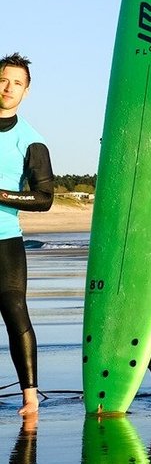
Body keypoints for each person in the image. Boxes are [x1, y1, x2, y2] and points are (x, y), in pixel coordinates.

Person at [0, 55, 52, 418]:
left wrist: (1, 195)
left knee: (15, 311)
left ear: (26, 90)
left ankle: (30, 397)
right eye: (3, 80)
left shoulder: (31, 141)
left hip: (5, 240)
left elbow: (44, 198)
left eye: (16, 83)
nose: (8, 88)